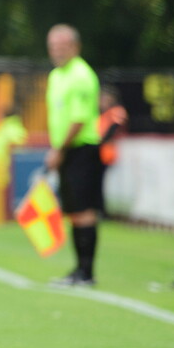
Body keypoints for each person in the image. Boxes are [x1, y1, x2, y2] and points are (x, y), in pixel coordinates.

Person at [43, 24, 102, 286]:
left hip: (81, 149)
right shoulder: (57, 76)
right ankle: (79, 269)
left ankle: (87, 271)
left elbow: (78, 120)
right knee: (74, 210)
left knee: (84, 209)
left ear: (75, 47)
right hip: (66, 150)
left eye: (62, 46)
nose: (57, 51)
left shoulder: (81, 75)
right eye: (53, 46)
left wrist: (59, 149)